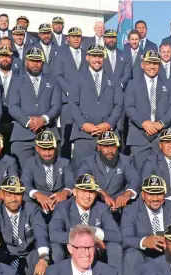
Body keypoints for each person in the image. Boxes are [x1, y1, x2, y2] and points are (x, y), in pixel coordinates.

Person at [48, 174, 123, 275]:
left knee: (115, 248)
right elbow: (54, 234)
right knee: (55, 248)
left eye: (91, 192)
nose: (87, 196)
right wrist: (87, 239)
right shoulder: (63, 207)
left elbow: (117, 236)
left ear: (96, 194)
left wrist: (94, 231)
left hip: (96, 255)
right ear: (74, 192)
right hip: (72, 254)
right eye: (83, 191)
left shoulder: (102, 208)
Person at [0, 176, 50, 275]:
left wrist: (44, 258)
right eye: (9, 194)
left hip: (29, 256)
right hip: (5, 257)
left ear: (23, 195)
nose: (13, 199)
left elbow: (40, 234)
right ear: (2, 195)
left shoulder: (31, 209)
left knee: (44, 270)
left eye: (17, 194)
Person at [69, 45, 124, 171]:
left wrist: (109, 124)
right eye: (94, 56)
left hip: (108, 134)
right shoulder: (77, 78)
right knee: (82, 174)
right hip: (83, 135)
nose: (97, 59)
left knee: (108, 173)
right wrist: (83, 124)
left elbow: (118, 105)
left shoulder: (113, 79)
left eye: (99, 56)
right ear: (87, 57)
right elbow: (73, 104)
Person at [7, 47, 62, 168]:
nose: (35, 64)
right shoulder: (16, 81)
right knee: (22, 174)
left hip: (48, 133)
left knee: (49, 173)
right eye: (32, 60)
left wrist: (43, 119)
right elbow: (12, 106)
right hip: (22, 136)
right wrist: (28, 122)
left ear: (42, 62)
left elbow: (57, 106)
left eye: (38, 61)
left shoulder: (53, 82)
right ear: (26, 62)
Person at [124, 50, 171, 171]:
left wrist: (161, 124)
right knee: (139, 176)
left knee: (162, 177)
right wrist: (144, 123)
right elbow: (128, 107)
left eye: (155, 63)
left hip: (162, 137)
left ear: (159, 65)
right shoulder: (132, 84)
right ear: (142, 65)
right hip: (139, 138)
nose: (152, 66)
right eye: (149, 63)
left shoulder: (169, 84)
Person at [77, 131, 140, 213]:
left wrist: (128, 193)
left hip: (119, 204)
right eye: (106, 146)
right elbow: (82, 177)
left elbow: (134, 179)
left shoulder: (125, 161)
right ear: (99, 147)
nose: (110, 151)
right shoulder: (88, 161)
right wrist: (100, 192)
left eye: (113, 146)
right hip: (95, 204)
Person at [21, 131, 74, 218]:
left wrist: (65, 192)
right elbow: (25, 182)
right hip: (38, 201)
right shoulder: (30, 162)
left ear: (55, 148)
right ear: (37, 148)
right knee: (26, 198)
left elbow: (70, 181)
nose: (47, 153)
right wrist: (37, 195)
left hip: (59, 200)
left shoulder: (64, 162)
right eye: (44, 149)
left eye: (50, 149)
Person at [53, 26, 87, 157]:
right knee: (66, 137)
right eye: (74, 36)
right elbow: (58, 76)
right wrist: (70, 91)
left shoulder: (86, 55)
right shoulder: (61, 55)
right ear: (68, 38)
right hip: (67, 101)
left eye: (78, 36)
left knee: (82, 135)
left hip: (84, 102)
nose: (76, 39)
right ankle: (65, 166)